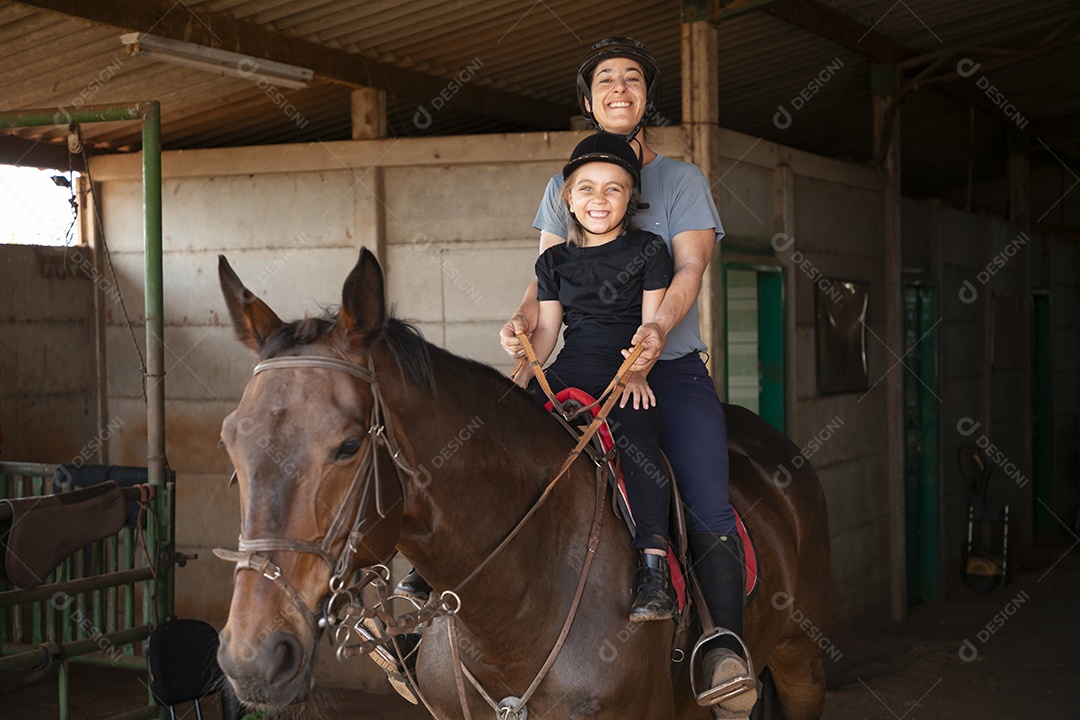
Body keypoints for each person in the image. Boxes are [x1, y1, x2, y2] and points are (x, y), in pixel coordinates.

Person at [497, 37, 756, 715]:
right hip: (580, 367)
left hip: (665, 368)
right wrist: (522, 326)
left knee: (704, 492)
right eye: (605, 80)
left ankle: (723, 647)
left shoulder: (682, 180)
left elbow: (690, 268)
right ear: (588, 101)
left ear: (647, 97)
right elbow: (546, 280)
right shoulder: (563, 184)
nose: (619, 88)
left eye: (632, 78)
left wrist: (654, 335)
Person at [516, 131, 676, 621]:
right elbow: (547, 332)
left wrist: (639, 373)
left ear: (631, 198)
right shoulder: (553, 261)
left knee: (640, 447)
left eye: (613, 188)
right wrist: (521, 365)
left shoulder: (648, 249)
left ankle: (653, 569)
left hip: (623, 373)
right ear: (568, 198)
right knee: (504, 432)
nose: (599, 199)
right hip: (569, 370)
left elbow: (652, 325)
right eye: (586, 188)